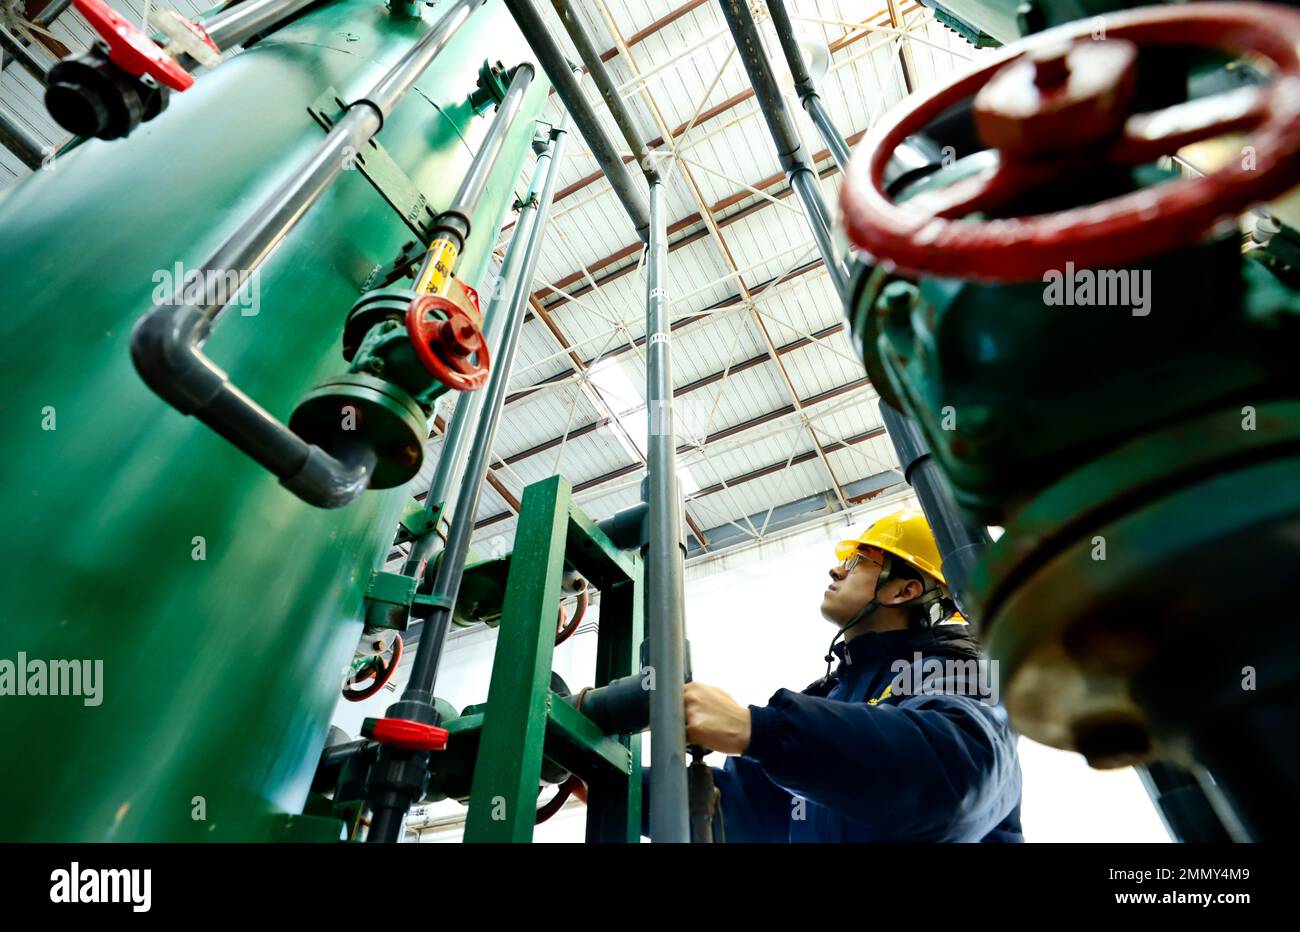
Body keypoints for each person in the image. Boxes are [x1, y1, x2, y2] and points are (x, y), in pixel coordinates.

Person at [656, 507, 1023, 842]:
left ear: (904, 590)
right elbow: (739, 809)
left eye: (860, 559)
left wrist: (760, 729)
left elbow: (954, 776)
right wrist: (620, 787)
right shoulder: (833, 700)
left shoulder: (962, 674)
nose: (837, 569)